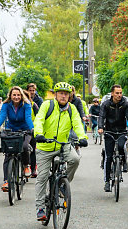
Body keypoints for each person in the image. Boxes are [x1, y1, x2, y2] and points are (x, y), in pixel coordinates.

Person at [33, 82, 88, 220]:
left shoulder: (72, 108)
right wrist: (39, 134)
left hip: (63, 145)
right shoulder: (47, 105)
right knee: (42, 177)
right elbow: (39, 119)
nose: (63, 96)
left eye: (66, 93)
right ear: (56, 94)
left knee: (75, 159)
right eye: (61, 93)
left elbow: (77, 124)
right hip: (45, 146)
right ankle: (40, 208)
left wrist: (82, 137)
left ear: (69, 96)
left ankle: (63, 185)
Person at [0, 86, 34, 191]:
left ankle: (26, 165)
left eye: (18, 95)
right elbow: (2, 117)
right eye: (14, 95)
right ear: (10, 95)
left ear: (21, 95)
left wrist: (32, 129)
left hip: (25, 130)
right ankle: (6, 181)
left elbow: (28, 117)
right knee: (8, 154)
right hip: (10, 130)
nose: (16, 97)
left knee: (24, 146)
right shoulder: (6, 105)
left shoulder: (26, 104)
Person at [98, 85, 128, 192]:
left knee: (120, 146)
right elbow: (101, 116)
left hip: (121, 131)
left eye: (120, 93)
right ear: (112, 94)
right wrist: (100, 127)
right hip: (109, 132)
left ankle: (124, 161)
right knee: (109, 156)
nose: (119, 95)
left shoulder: (125, 104)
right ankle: (106, 181)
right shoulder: (106, 104)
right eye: (117, 93)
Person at [24, 89, 39, 178]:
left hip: (32, 129)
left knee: (33, 149)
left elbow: (39, 117)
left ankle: (33, 169)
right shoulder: (20, 106)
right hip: (22, 130)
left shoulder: (33, 105)